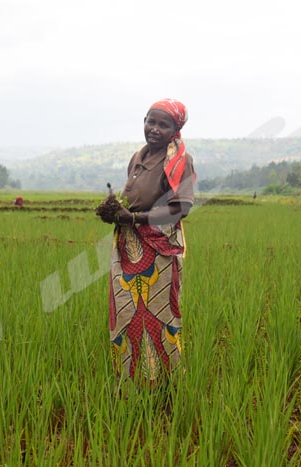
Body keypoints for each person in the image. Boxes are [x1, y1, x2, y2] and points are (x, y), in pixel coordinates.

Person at [96, 98, 196, 386]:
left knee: (160, 315)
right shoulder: (138, 156)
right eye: (150, 121)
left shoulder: (178, 160)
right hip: (128, 247)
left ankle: (166, 383)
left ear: (176, 130)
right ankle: (130, 379)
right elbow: (132, 200)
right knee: (126, 312)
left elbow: (181, 208)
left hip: (159, 249)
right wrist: (114, 210)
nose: (154, 129)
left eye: (163, 124)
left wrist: (135, 219)